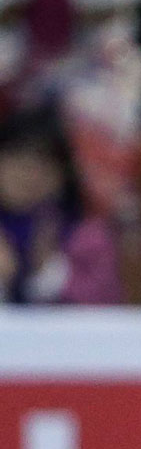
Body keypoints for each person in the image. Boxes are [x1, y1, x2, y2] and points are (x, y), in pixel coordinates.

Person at [0, 106, 121, 303]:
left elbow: (107, 315)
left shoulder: (89, 239)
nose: (25, 173)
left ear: (62, 176)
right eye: (15, 157)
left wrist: (50, 273)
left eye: (42, 162)